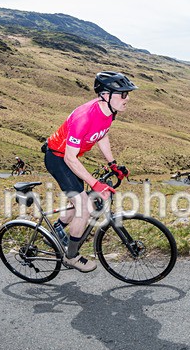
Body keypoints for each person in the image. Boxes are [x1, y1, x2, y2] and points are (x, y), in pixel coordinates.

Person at [43, 70, 135, 272]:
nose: (127, 98)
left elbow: (102, 135)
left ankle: (58, 229)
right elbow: (69, 158)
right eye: (123, 94)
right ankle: (71, 256)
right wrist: (95, 183)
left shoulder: (109, 112)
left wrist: (113, 164)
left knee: (84, 201)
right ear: (105, 95)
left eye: (127, 94)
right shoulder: (84, 117)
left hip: (70, 159)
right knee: (84, 207)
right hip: (58, 158)